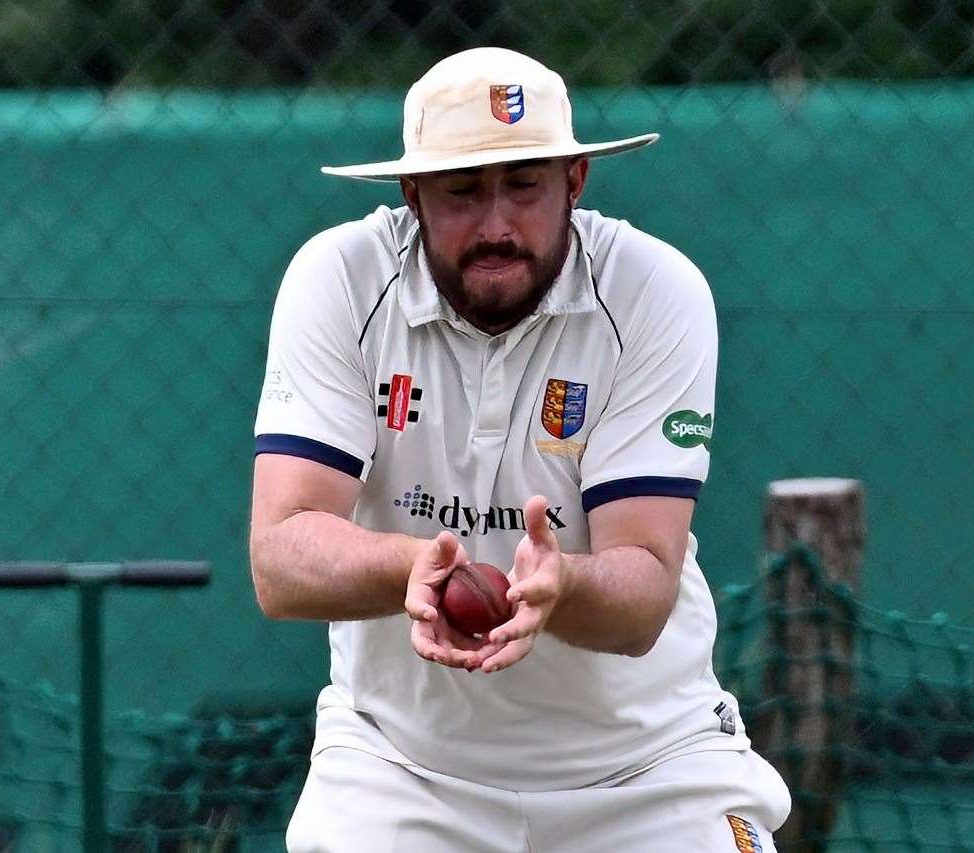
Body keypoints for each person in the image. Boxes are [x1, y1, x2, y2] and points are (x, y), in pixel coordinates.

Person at [249, 47, 791, 852]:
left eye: (524, 186)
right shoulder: (339, 278)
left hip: (648, 768)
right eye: (462, 191)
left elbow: (643, 592)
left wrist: (558, 585)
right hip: (401, 770)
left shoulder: (655, 289)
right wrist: (413, 568)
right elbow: (280, 558)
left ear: (575, 181)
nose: (497, 224)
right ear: (412, 194)